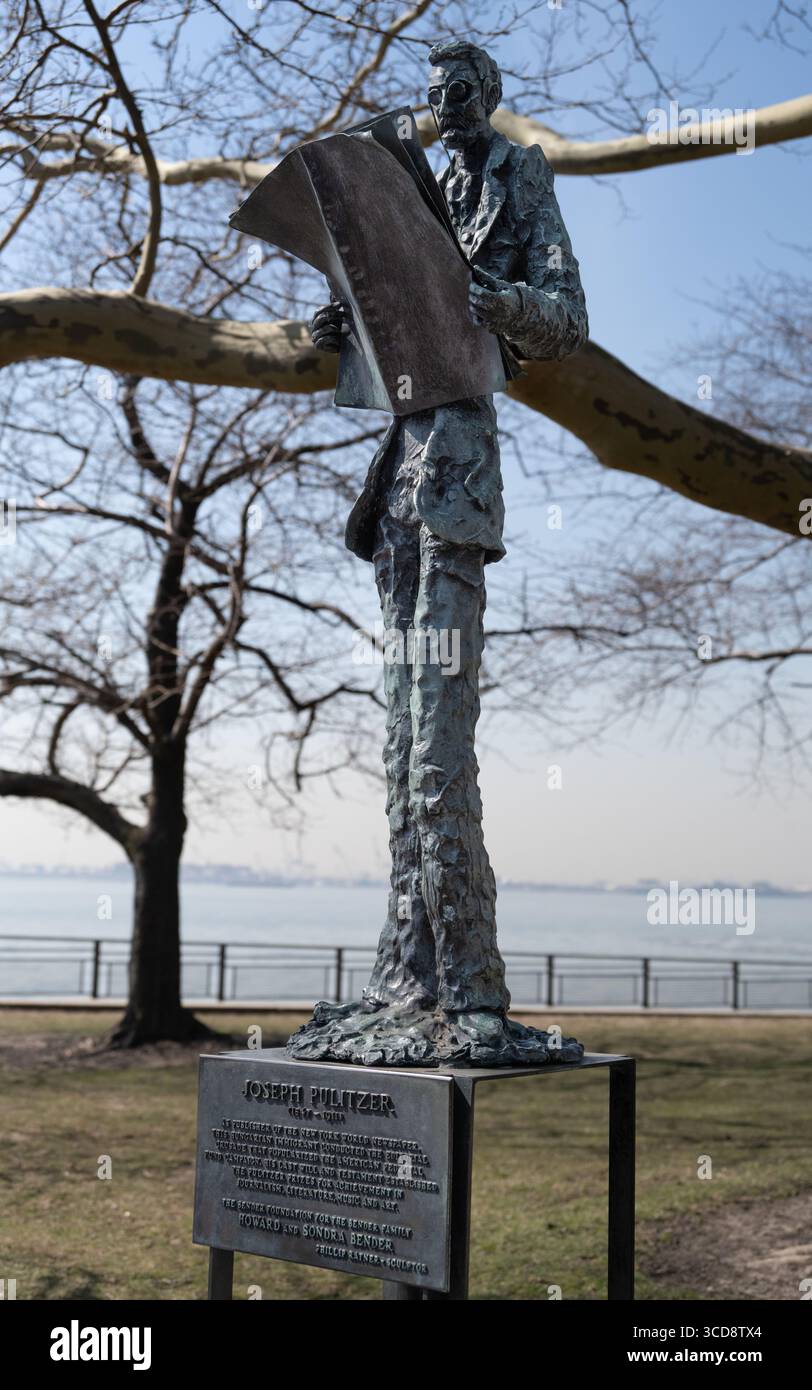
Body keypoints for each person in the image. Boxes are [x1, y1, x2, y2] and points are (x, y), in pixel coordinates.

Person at [296, 38, 588, 1065]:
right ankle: (402, 977)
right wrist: (336, 324)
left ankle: (464, 985)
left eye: (458, 92)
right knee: (394, 748)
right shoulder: (408, 188)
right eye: (429, 96)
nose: (443, 106)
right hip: (397, 492)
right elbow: (376, 322)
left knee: (437, 746)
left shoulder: (520, 176)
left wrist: (497, 304)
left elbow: (564, 320)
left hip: (460, 482)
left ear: (489, 96)